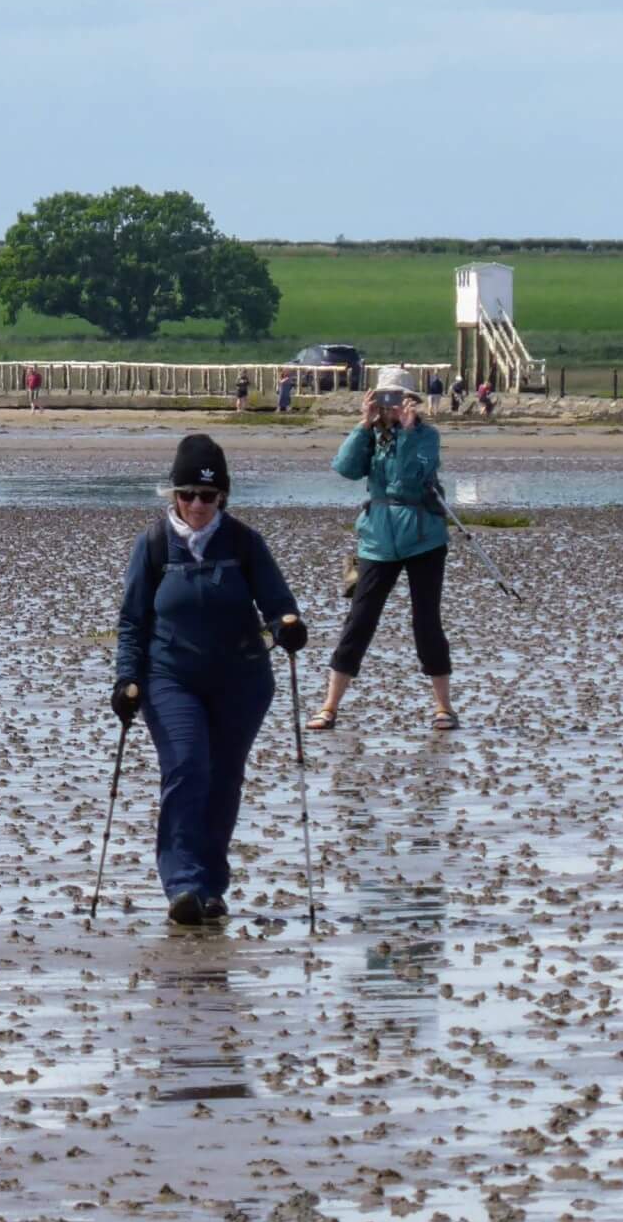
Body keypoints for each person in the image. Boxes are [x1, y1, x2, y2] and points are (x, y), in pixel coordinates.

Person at [111, 434, 305, 926]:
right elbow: (133, 621)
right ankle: (183, 885)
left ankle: (212, 887)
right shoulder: (153, 545)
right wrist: (126, 679)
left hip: (242, 680)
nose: (196, 506)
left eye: (207, 496)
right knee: (186, 767)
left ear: (223, 496)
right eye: (187, 495)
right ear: (174, 495)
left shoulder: (243, 542)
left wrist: (288, 628)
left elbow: (278, 604)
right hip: (170, 678)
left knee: (223, 780)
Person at [311, 367, 455, 731]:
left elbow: (409, 479)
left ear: (410, 402)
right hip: (377, 539)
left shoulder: (426, 437)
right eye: (384, 399)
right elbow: (345, 468)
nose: (390, 406)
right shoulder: (372, 436)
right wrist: (363, 425)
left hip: (424, 538)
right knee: (359, 619)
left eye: (396, 399)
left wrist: (406, 433)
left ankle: (443, 707)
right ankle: (330, 706)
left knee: (426, 621)